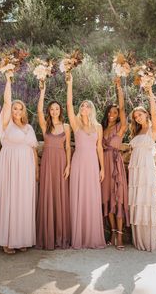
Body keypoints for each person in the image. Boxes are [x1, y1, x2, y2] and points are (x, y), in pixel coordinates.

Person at [0, 71, 39, 254]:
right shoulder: (6, 124)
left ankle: (22, 238)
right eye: (14, 108)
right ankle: (8, 240)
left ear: (24, 111)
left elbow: (34, 149)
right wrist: (8, 80)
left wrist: (36, 170)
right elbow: (6, 102)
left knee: (24, 201)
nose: (17, 111)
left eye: (20, 109)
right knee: (11, 199)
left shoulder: (28, 127)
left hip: (26, 167)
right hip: (11, 165)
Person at [66, 73, 106, 249]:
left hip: (92, 163)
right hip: (78, 162)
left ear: (91, 110)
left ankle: (92, 236)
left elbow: (99, 148)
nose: (84, 107)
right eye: (82, 105)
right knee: (78, 196)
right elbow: (68, 105)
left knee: (91, 197)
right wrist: (70, 83)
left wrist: (102, 168)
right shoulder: (75, 123)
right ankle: (78, 236)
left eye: (87, 106)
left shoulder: (98, 127)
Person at [36, 83, 71, 249]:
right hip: (48, 163)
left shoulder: (66, 127)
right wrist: (42, 91)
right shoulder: (46, 126)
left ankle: (60, 236)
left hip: (62, 163)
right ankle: (47, 236)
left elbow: (68, 147)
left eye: (57, 109)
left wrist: (68, 166)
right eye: (52, 109)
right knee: (48, 195)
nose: (54, 111)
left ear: (60, 110)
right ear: (49, 111)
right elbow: (38, 111)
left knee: (60, 196)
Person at [128, 85, 156, 251]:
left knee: (145, 201)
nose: (138, 118)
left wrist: (150, 94)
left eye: (140, 115)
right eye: (136, 117)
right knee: (136, 202)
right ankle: (138, 239)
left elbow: (154, 114)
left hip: (146, 169)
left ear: (146, 114)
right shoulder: (137, 132)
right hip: (135, 170)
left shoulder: (152, 130)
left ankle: (148, 240)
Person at [101, 77, 129, 250]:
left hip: (116, 164)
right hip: (104, 164)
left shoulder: (121, 127)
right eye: (110, 112)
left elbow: (123, 107)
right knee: (107, 199)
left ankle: (119, 235)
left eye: (115, 112)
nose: (112, 114)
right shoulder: (102, 129)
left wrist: (119, 88)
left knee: (118, 199)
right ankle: (112, 231)